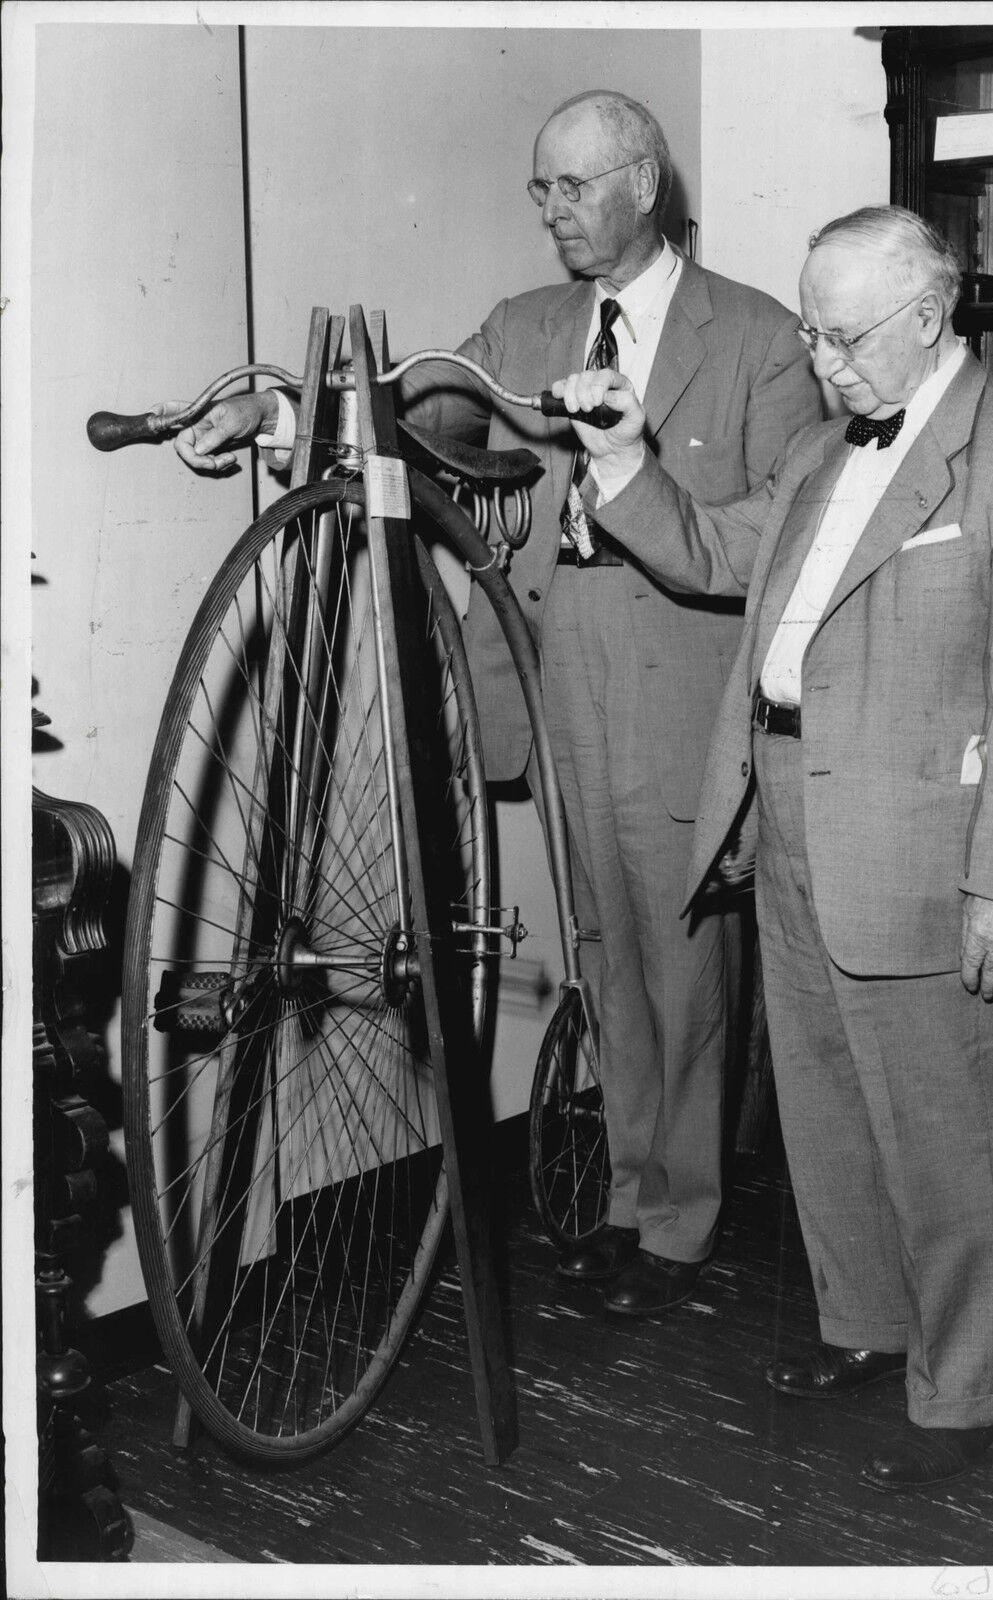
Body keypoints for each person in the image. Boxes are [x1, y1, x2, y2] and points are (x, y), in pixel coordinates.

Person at [164, 89, 821, 1318]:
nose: (550, 210)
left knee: (684, 954)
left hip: (684, 657)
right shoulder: (524, 327)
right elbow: (411, 409)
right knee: (605, 941)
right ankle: (631, 1195)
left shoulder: (759, 338)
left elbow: (772, 535)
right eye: (540, 189)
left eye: (570, 187)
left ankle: (678, 1223)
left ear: (642, 183)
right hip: (552, 648)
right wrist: (276, 412)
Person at [554, 204, 993, 1487]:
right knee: (823, 1105)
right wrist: (627, 451)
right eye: (810, 333)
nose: (824, 363)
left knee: (950, 1127)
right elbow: (705, 552)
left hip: (930, 846)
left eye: (847, 336)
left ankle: (971, 1386)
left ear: (929, 317)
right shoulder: (819, 452)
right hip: (789, 811)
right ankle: (867, 1324)